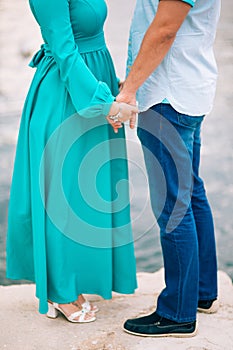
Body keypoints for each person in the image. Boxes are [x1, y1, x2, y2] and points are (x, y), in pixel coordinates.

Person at [6, 0, 138, 323]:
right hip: (65, 96)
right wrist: (103, 102)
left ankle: (77, 277)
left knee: (87, 193)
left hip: (92, 83)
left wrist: (111, 87)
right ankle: (60, 290)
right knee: (62, 194)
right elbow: (65, 51)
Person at [115, 0, 221, 337]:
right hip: (187, 90)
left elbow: (164, 31)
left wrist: (129, 90)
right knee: (191, 192)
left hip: (167, 97)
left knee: (173, 204)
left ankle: (177, 312)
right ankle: (201, 293)